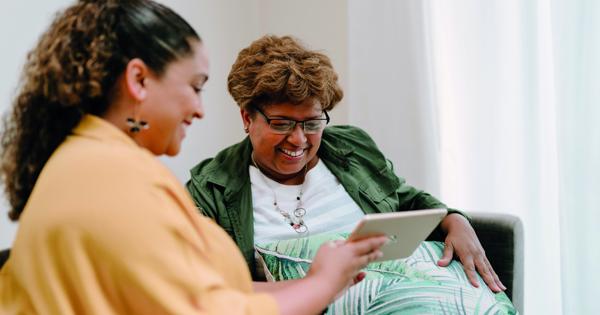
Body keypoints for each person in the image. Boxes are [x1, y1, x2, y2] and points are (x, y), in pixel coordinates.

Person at [0, 2, 387, 314]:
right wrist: (322, 285)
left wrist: (316, 280)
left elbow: (197, 287)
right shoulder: (114, 178)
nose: (200, 110)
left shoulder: (91, 162)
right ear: (138, 80)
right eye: (194, 87)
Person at [187, 35, 517, 313]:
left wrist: (454, 220)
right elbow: (209, 288)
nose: (299, 140)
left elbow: (405, 199)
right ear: (247, 118)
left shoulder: (350, 148)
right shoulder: (212, 189)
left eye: (312, 123)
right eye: (282, 124)